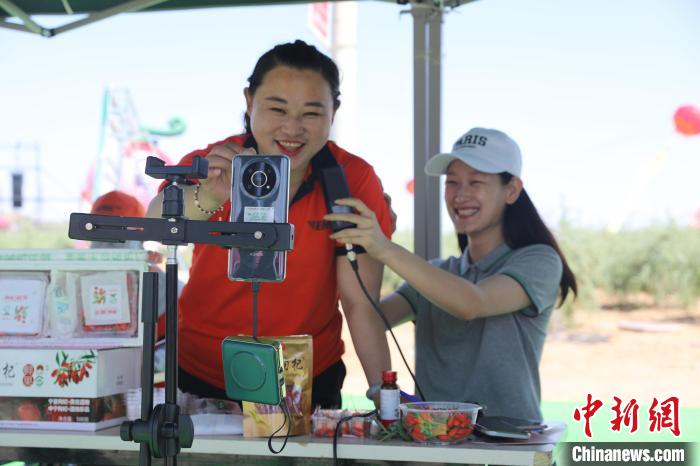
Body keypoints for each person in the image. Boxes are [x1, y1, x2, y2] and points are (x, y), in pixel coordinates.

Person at [146, 40, 393, 408]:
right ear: (249, 102)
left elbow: (360, 303)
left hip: (305, 380)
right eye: (277, 108)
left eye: (311, 113)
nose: (292, 128)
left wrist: (384, 398)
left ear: (334, 111)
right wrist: (211, 196)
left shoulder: (352, 179)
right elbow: (154, 225)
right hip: (201, 374)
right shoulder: (214, 161)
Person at [325, 127, 578, 421]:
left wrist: (384, 246)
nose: (461, 195)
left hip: (510, 444)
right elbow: (369, 316)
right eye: (452, 182)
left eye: (476, 182)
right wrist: (366, 244)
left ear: (512, 190)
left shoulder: (539, 261)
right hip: (436, 444)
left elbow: (471, 303)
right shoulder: (436, 273)